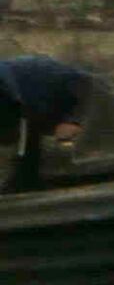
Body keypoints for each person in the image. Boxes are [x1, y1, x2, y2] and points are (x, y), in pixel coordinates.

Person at [2, 53, 95, 188]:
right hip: (32, 99)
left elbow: (86, 83)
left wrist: (73, 119)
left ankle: (27, 179)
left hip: (67, 93)